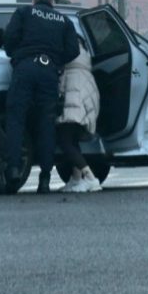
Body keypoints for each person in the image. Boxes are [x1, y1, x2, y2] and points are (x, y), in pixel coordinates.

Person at [2, 0, 80, 194]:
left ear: (34, 1)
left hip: (25, 68)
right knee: (47, 124)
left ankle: (13, 170)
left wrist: (16, 54)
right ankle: (45, 178)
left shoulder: (24, 12)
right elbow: (74, 50)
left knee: (16, 119)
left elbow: (9, 37)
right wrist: (56, 61)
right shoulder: (64, 21)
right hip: (49, 73)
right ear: (52, 3)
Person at [57, 38, 102, 193]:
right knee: (72, 140)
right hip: (82, 107)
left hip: (73, 107)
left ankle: (90, 178)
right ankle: (76, 179)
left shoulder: (70, 68)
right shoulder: (83, 63)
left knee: (65, 142)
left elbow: (67, 92)